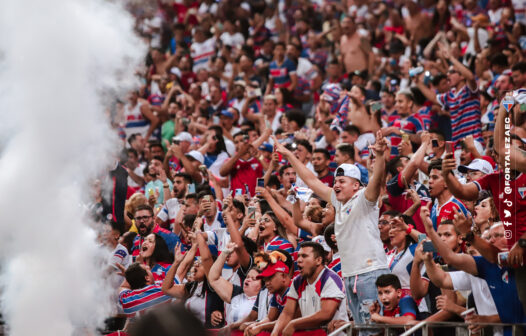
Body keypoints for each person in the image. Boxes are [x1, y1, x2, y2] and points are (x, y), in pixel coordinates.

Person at [273, 131, 389, 328]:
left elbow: (376, 182)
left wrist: (379, 156)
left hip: (370, 272)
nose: (336, 185)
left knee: (375, 330)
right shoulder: (338, 201)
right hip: (350, 274)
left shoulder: (364, 199)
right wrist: (290, 156)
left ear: (356, 185)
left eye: (342, 181)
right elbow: (311, 180)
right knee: (363, 330)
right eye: (336, 181)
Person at [271, 242, 348, 336]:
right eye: (298, 256)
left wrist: (294, 324)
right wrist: (275, 332)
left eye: (304, 256)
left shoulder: (330, 279)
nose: (298, 260)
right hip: (311, 332)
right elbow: (287, 313)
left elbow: (325, 314)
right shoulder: (297, 281)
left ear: (318, 260)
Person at [208, 243, 262, 327]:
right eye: (247, 277)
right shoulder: (237, 293)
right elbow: (213, 278)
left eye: (253, 279)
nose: (248, 279)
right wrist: (224, 253)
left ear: (263, 286)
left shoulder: (264, 299)